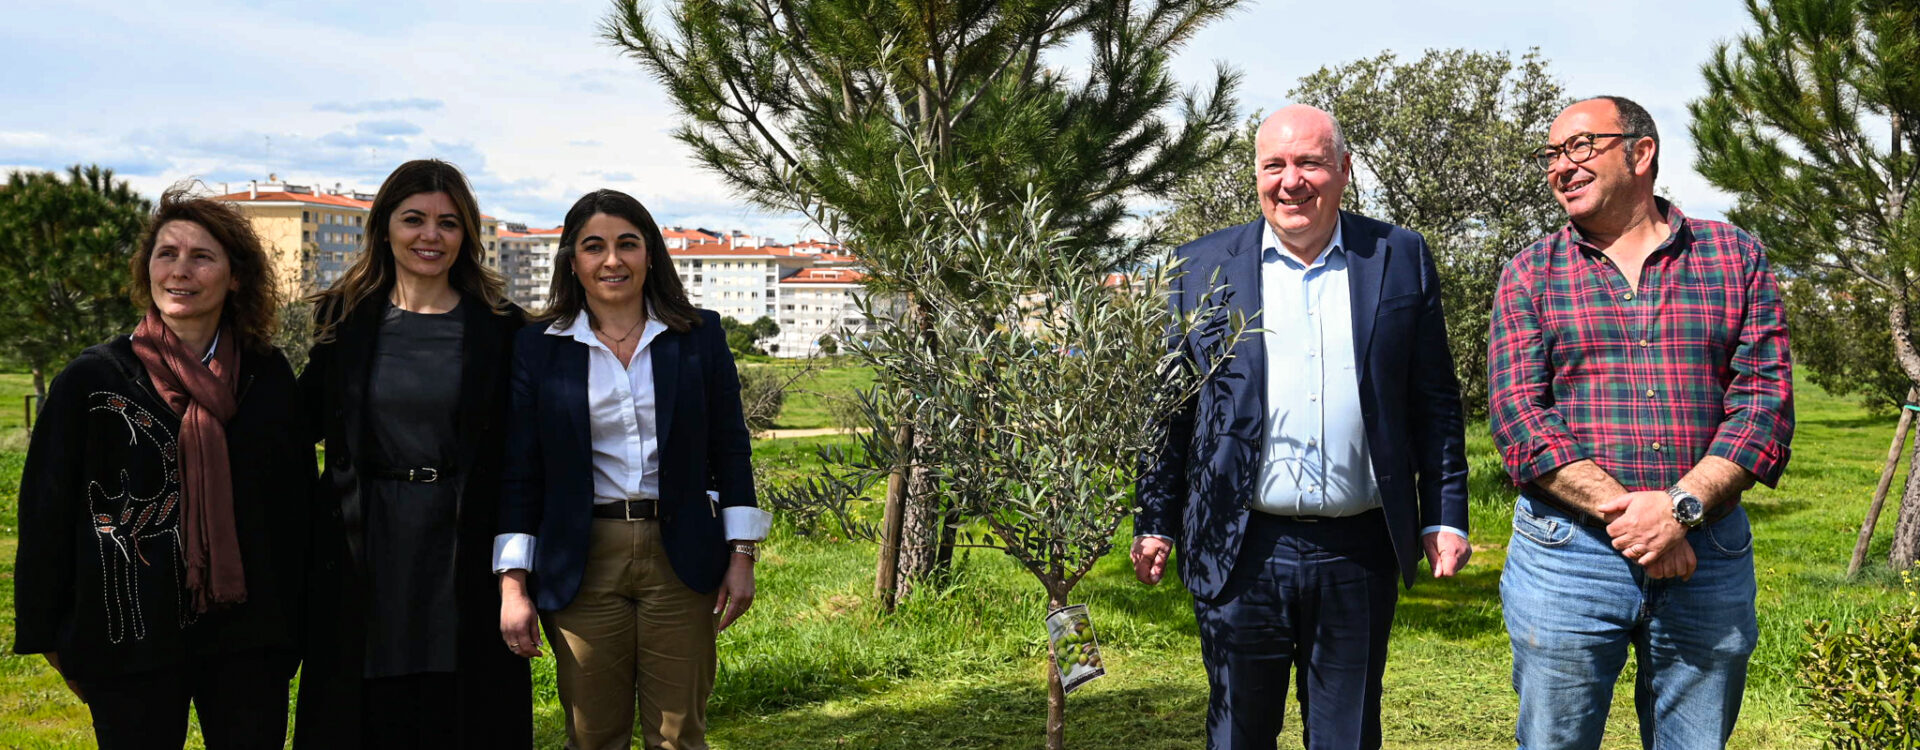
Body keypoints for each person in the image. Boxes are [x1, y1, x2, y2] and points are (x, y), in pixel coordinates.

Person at [1132, 104, 1472, 750]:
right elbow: (1168, 410)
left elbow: (1435, 402)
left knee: (1348, 737)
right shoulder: (1198, 267)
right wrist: (1155, 519)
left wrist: (1444, 515)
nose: (1291, 181)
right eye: (1275, 165)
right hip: (1238, 548)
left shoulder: (1399, 256)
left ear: (1344, 169)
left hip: (1360, 549)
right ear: (1257, 174)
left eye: (1310, 163)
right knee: (1237, 736)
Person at [1489, 95, 1794, 749]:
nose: (1560, 166)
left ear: (1641, 153)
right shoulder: (1529, 274)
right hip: (1567, 557)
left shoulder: (1733, 257)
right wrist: (1641, 521)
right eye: (1551, 155)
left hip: (1707, 554)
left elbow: (1763, 406)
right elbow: (1520, 419)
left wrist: (1680, 509)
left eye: (1579, 146)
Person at [13, 188, 313, 748]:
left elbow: (296, 507)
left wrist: (295, 624)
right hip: (128, 636)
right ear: (146, 268)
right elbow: (45, 511)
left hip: (249, 638)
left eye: (202, 257)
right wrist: (51, 634)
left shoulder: (267, 376)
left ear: (236, 277)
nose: (180, 270)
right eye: (166, 254)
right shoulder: (93, 380)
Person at [495, 188, 766, 750]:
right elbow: (521, 471)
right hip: (581, 560)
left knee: (679, 736)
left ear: (650, 254)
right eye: (594, 246)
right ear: (573, 261)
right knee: (594, 736)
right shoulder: (538, 348)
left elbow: (730, 449)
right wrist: (513, 583)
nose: (612, 260)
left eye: (628, 244)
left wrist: (742, 554)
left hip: (682, 555)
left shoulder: (698, 336)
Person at [294, 159, 530, 749]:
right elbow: (295, 424)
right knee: (364, 712)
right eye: (414, 219)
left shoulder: (504, 329)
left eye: (448, 223)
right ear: (384, 228)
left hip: (463, 541)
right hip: (365, 543)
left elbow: (523, 458)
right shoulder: (343, 319)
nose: (431, 235)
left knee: (463, 711)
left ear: (467, 235)